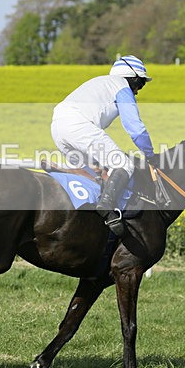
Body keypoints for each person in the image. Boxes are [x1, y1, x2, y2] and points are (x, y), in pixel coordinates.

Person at [51, 54, 155, 236]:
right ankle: (107, 207)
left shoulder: (102, 82)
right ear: (132, 77)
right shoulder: (122, 86)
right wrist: (150, 154)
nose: (138, 91)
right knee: (123, 164)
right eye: (140, 84)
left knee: (96, 173)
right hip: (78, 125)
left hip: (58, 127)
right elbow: (135, 129)